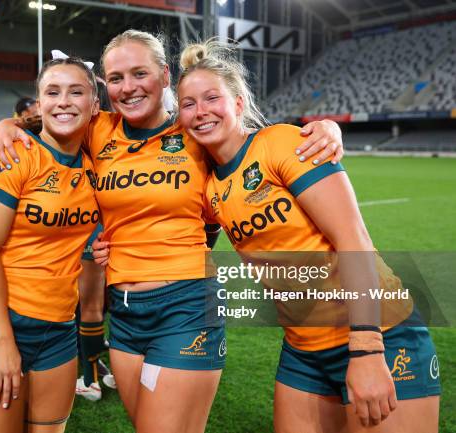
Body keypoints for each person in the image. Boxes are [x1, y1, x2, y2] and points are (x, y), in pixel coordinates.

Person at [0, 30, 344, 433]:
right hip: (122, 312)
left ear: (164, 75)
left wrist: (327, 127)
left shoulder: (194, 131)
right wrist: (8, 126)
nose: (128, 87)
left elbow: (249, 140)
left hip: (185, 305)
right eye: (116, 78)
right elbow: (56, 115)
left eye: (139, 73)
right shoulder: (99, 129)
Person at [173, 39, 440, 433]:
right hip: (303, 351)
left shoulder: (281, 143)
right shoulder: (210, 188)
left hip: (380, 334)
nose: (200, 112)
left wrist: (366, 348)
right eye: (188, 103)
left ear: (239, 103)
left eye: (211, 98)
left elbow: (354, 239)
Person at [0, 57, 99, 433]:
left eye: (76, 91)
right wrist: (1, 341)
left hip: (60, 331)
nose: (63, 101)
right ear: (39, 102)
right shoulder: (12, 155)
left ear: (94, 105)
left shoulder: (98, 165)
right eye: (52, 92)